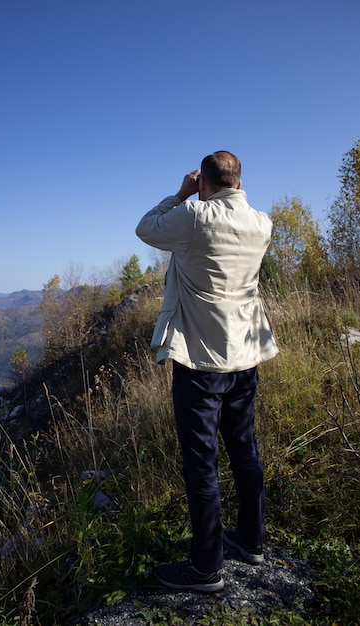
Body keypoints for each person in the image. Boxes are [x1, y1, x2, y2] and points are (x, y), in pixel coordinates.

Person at [135, 150, 279, 592]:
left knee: (202, 463)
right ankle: (251, 540)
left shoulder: (194, 215)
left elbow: (146, 228)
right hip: (245, 356)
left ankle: (205, 567)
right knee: (244, 448)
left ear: (205, 182)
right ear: (238, 180)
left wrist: (181, 193)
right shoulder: (263, 223)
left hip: (201, 359)